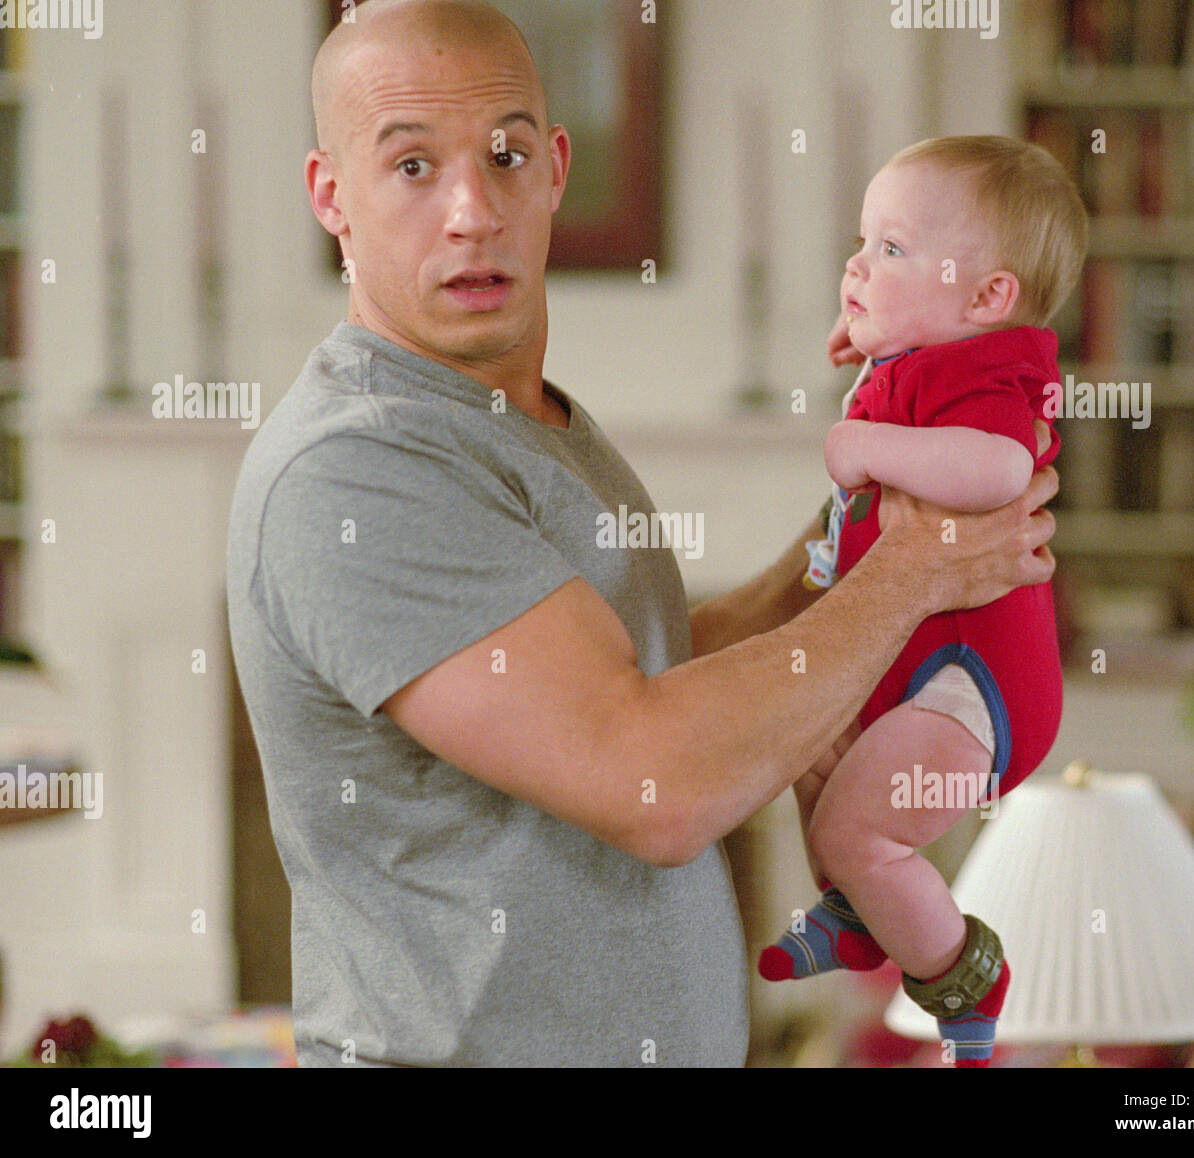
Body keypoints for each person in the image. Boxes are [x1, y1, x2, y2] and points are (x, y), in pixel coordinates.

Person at [225, 1, 1060, 1067]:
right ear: (329, 197)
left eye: (507, 153)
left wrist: (877, 520)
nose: (473, 209)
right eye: (412, 167)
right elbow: (648, 780)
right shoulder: (357, 466)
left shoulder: (527, 419)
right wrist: (910, 575)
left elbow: (635, 683)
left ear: (557, 168)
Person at [758, 136, 1088, 1067]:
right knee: (812, 756)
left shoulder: (992, 374)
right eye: (862, 244)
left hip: (973, 691)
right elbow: (908, 395)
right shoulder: (922, 365)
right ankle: (861, 919)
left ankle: (961, 969)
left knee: (861, 825)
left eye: (892, 250)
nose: (858, 266)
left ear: (987, 300)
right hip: (917, 669)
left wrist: (862, 444)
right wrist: (872, 351)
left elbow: (1000, 466)